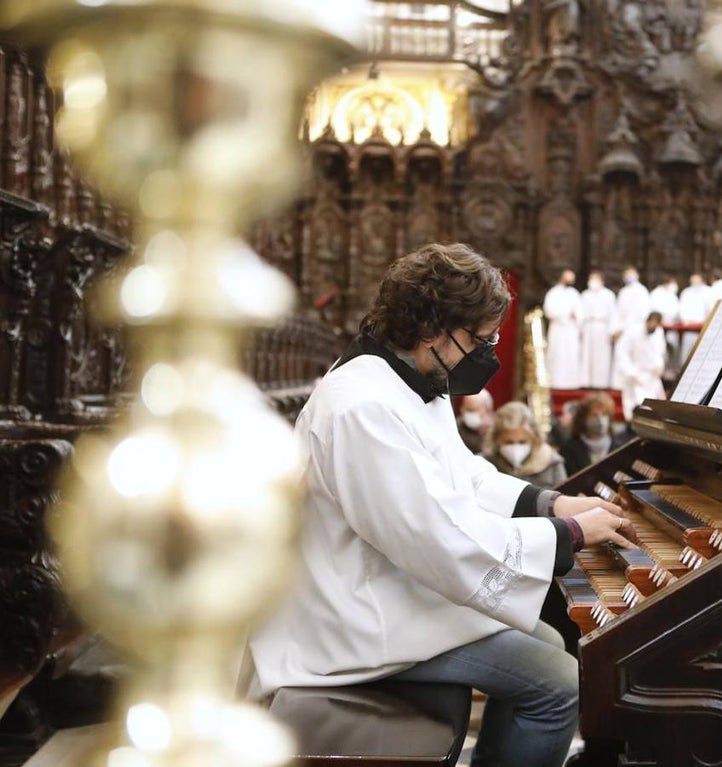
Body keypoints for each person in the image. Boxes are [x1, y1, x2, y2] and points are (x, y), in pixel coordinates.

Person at [246, 244, 636, 767]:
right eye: (479, 339)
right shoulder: (360, 405)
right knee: (555, 682)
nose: (486, 353)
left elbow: (464, 477)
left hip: (389, 588)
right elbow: (437, 538)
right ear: (433, 328)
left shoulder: (407, 379)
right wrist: (569, 536)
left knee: (548, 641)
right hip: (354, 616)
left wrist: (553, 501)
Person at [484, 401, 567, 488]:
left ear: (534, 439)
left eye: (522, 442)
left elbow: (564, 496)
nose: (515, 448)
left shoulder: (552, 462)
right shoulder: (484, 463)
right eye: (509, 442)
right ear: (496, 439)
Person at [615, 311, 667, 422]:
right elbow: (622, 352)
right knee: (634, 409)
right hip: (635, 375)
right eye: (652, 323)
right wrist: (631, 372)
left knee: (656, 408)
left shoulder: (658, 332)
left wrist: (659, 365)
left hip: (652, 376)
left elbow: (659, 352)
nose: (653, 326)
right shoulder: (632, 332)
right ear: (647, 321)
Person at [559, 392, 627, 477]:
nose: (600, 419)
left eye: (604, 414)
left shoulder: (619, 447)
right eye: (594, 415)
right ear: (583, 419)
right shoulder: (569, 449)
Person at [543, 268, 583, 390]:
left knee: (571, 355)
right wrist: (565, 314)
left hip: (571, 330)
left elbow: (581, 312)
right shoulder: (553, 293)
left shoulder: (575, 294)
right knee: (557, 354)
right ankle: (555, 381)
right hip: (558, 328)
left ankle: (571, 382)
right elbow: (549, 310)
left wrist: (576, 315)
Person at [611, 265, 650, 390]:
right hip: (623, 330)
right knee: (621, 354)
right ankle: (619, 383)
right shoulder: (623, 292)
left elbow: (643, 312)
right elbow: (618, 311)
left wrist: (629, 326)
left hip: (636, 328)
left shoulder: (642, 291)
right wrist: (617, 328)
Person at [580, 270, 615, 388]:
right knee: (587, 355)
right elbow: (580, 313)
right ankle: (586, 382)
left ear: (601, 281)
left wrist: (612, 331)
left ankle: (601, 383)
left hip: (602, 327)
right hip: (588, 326)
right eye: (591, 279)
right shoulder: (585, 295)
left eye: (595, 279)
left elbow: (613, 314)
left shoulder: (609, 295)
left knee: (602, 356)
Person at [677, 272, 711, 368]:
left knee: (703, 356)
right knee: (687, 356)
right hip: (688, 329)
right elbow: (682, 309)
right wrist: (687, 321)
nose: (694, 282)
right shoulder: (686, 292)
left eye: (696, 279)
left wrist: (704, 321)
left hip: (703, 328)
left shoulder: (708, 291)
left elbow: (710, 309)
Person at [457, 389, 494, 454]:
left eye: (472, 410)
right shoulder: (456, 427)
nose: (468, 414)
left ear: (487, 410)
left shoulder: (496, 427)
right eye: (466, 409)